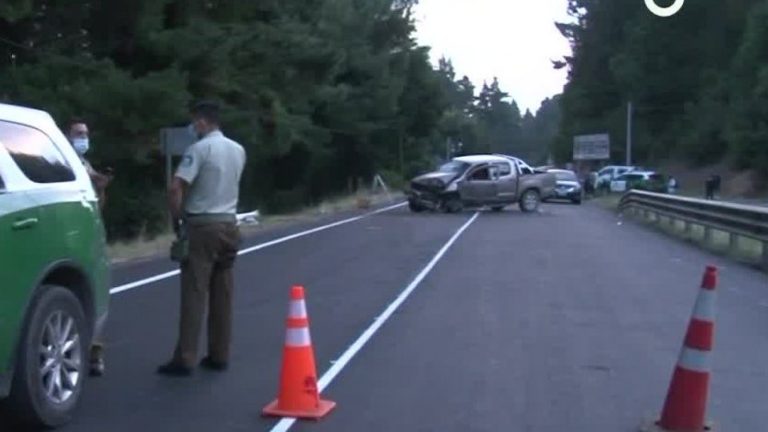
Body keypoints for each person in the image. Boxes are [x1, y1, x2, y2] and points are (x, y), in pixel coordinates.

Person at [157, 101, 246, 376]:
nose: (192, 127)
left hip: (202, 225)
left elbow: (176, 187)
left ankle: (185, 357)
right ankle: (220, 353)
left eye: (194, 122)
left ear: (204, 122)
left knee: (195, 292)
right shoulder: (238, 150)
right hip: (229, 224)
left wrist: (177, 218)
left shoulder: (199, 149)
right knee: (223, 291)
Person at [67, 119, 113, 377]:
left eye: (85, 133)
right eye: (78, 134)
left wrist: (101, 186)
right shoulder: (65, 161)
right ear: (67, 135)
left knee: (91, 290)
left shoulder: (85, 164)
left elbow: (97, 204)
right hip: (73, 234)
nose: (83, 138)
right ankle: (86, 349)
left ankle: (92, 350)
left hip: (90, 232)